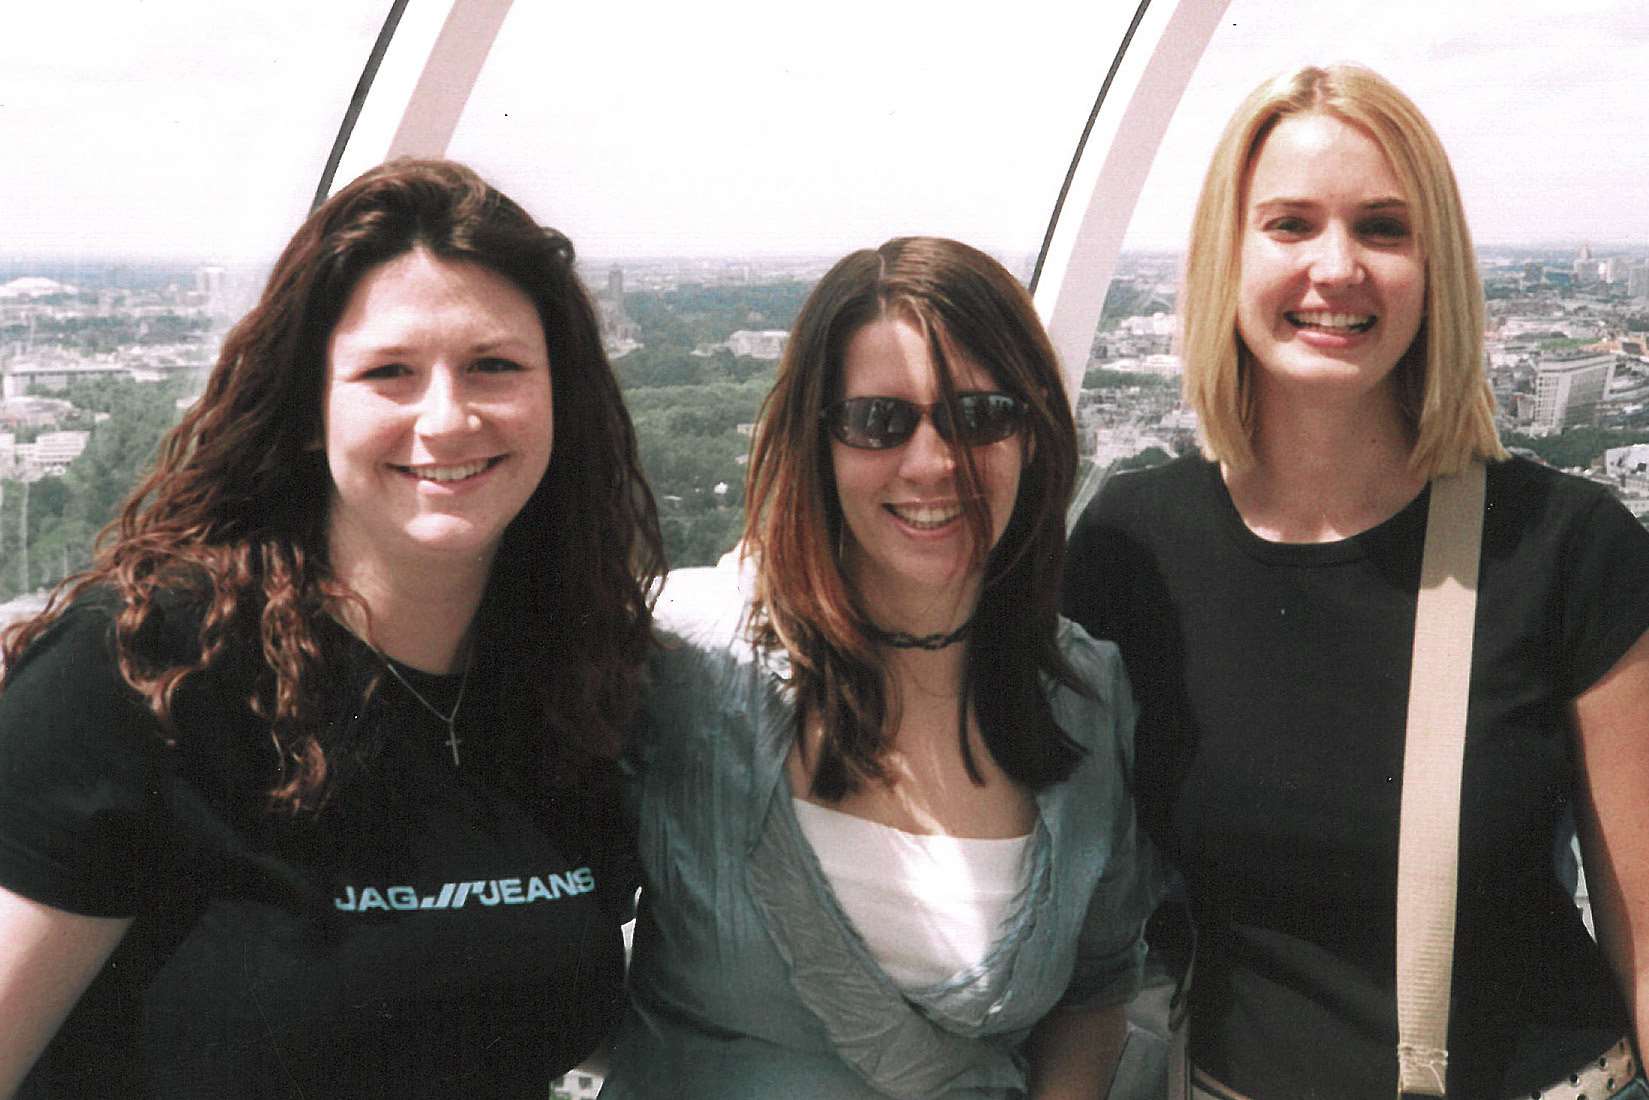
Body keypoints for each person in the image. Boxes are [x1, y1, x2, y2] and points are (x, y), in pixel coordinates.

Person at [0, 159, 664, 1098]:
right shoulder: (146, 669)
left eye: (496, 366)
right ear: (312, 409)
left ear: (561, 395)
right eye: (389, 372)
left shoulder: (582, 686)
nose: (447, 418)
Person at [1063, 63, 1649, 1099]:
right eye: (1289, 224)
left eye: (1382, 227)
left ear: (1435, 269)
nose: (1336, 267)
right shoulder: (1128, 550)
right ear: (1224, 257)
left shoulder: (1565, 546)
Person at [601, 236, 1158, 1099]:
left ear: (1034, 434)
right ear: (816, 443)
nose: (932, 463)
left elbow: (1092, 989)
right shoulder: (682, 656)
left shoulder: (1084, 696)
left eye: (979, 416)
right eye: (878, 421)